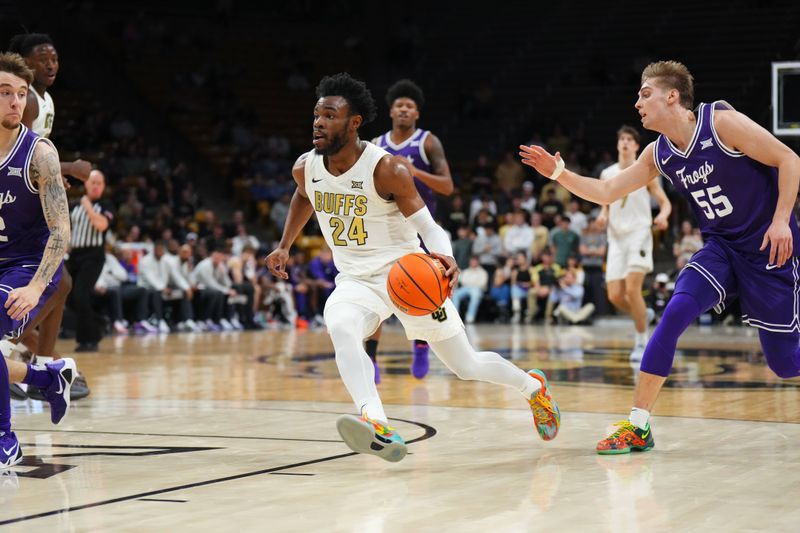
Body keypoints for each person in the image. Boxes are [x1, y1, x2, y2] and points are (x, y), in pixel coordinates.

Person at [266, 73, 560, 462]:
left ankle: (532, 388)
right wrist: (285, 244)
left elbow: (428, 227)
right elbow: (304, 196)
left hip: (405, 274)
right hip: (355, 279)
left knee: (465, 365)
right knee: (340, 327)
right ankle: (377, 423)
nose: (319, 123)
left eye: (330, 116)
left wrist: (447, 258)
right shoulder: (306, 166)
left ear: (354, 123)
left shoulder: (387, 169)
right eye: (317, 115)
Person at [519, 60, 800, 454]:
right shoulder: (659, 153)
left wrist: (782, 220)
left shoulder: (721, 123)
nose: (637, 102)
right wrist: (559, 173)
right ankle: (638, 426)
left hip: (770, 246)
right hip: (720, 250)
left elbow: (789, 159)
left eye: (645, 93)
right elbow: (607, 191)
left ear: (672, 96)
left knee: (785, 366)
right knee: (673, 315)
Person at [0, 53, 78, 468]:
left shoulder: (39, 154)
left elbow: (62, 230)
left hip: (29, 267)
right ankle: (46, 378)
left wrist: (33, 287)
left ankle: (5, 440)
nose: (15, 102)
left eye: (21, 94)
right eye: (5, 93)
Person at [7, 33, 92, 400]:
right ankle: (31, 359)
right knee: (57, 283)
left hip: (23, 202)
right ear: (24, 63)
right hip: (11, 206)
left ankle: (37, 360)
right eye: (43, 59)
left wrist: (53, 178)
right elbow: (12, 148)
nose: (51, 64)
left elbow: (31, 157)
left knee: (60, 283)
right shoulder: (22, 103)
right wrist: (70, 166)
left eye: (55, 58)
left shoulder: (43, 100)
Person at [367, 79, 455, 382]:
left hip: (420, 224)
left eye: (410, 106)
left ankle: (420, 345)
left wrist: (415, 172)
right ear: (391, 111)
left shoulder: (427, 142)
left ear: (416, 114)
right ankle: (370, 358)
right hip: (386, 228)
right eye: (399, 105)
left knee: (425, 288)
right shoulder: (376, 146)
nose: (404, 110)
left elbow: (448, 186)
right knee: (375, 289)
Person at [596, 126, 671, 361]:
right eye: (622, 139)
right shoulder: (607, 173)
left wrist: (663, 215)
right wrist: (603, 214)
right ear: (618, 144)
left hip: (639, 233)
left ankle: (642, 342)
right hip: (615, 237)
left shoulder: (644, 171)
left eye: (630, 139)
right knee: (615, 296)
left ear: (637, 146)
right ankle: (644, 314)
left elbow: (664, 202)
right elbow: (605, 201)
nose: (625, 143)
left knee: (632, 289)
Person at [66, 170, 114, 352]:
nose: (95, 186)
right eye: (92, 182)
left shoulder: (106, 205)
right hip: (75, 255)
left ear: (103, 186)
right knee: (68, 296)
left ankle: (88, 341)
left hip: (93, 256)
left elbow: (101, 225)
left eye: (99, 183)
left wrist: (87, 205)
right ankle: (99, 321)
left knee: (81, 295)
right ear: (86, 184)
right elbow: (68, 228)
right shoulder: (74, 206)